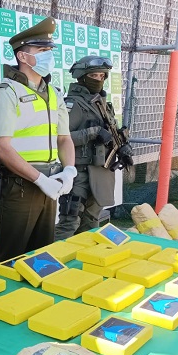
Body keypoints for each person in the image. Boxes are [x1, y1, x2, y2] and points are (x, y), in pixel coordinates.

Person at [0, 17, 76, 265]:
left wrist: (69, 171)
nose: (48, 56)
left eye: (49, 50)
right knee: (9, 258)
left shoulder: (54, 93)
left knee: (41, 257)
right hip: (19, 186)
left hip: (51, 183)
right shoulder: (6, 93)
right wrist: (39, 179)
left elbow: (64, 139)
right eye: (42, 50)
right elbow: (1, 147)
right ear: (23, 57)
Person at [54, 56, 133, 239]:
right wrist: (92, 133)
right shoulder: (72, 104)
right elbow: (60, 139)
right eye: (94, 76)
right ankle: (51, 262)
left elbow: (111, 132)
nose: (99, 79)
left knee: (91, 221)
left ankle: (84, 262)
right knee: (70, 222)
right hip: (79, 172)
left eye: (101, 76)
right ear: (82, 77)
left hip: (101, 172)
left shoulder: (102, 104)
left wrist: (122, 146)